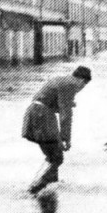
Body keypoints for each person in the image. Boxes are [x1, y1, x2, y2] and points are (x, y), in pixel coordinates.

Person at [22, 66, 92, 194]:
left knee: (52, 155)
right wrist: (66, 138)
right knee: (56, 157)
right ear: (82, 81)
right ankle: (34, 189)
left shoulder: (62, 80)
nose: (80, 90)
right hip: (42, 115)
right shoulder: (70, 85)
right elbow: (65, 114)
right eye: (83, 86)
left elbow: (48, 99)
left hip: (34, 112)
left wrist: (67, 105)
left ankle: (51, 189)